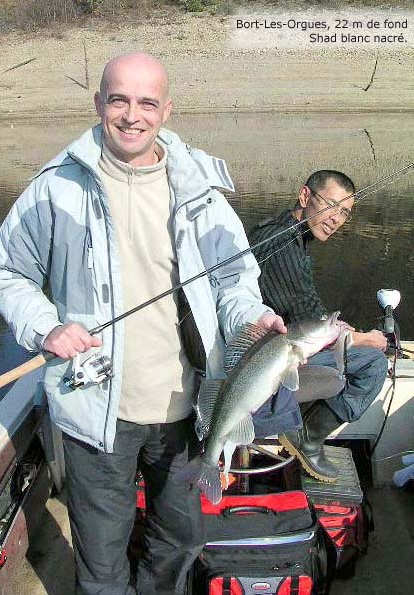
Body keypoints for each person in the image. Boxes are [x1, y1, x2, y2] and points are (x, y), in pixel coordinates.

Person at [0, 53, 286, 595]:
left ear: (166, 109)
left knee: (179, 543)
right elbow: (8, 270)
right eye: (119, 100)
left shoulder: (200, 189)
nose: (133, 115)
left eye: (147, 102)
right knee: (102, 564)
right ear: (98, 104)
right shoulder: (56, 188)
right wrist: (46, 327)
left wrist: (253, 319)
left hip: (190, 408)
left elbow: (235, 281)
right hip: (95, 411)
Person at [249, 170, 388, 482]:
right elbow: (305, 320)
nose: (335, 219)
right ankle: (308, 439)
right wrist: (366, 339)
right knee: (374, 365)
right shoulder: (283, 245)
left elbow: (308, 308)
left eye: (344, 213)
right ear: (305, 196)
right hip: (265, 361)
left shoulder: (286, 233)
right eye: (331, 205)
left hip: (275, 346)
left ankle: (298, 427)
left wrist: (348, 330)